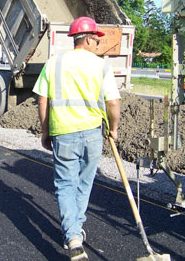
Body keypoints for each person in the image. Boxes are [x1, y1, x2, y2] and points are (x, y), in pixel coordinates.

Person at [33, 17, 120, 261]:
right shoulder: (101, 65)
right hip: (93, 134)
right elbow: (113, 102)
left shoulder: (54, 63)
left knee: (65, 184)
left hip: (64, 132)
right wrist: (113, 129)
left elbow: (43, 99)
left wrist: (45, 131)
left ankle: (72, 235)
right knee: (84, 183)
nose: (97, 44)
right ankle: (75, 230)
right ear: (89, 38)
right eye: (96, 39)